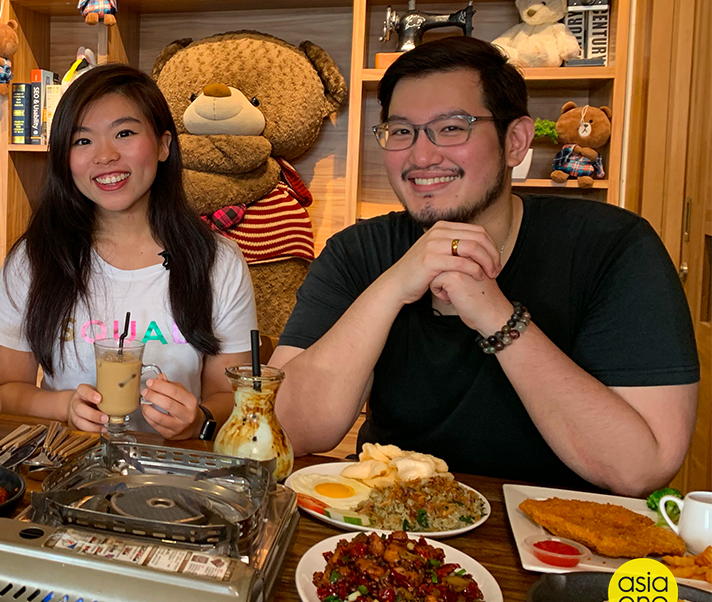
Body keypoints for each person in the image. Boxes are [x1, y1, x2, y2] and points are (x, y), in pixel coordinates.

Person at [271, 38, 699, 495]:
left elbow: (641, 470)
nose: (421, 156)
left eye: (452, 128)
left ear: (516, 141)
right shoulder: (357, 252)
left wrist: (498, 317)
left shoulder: (611, 247)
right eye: (401, 131)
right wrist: (392, 286)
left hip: (556, 530)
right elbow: (286, 431)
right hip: (390, 520)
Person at [0, 64, 257, 440]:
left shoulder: (217, 262)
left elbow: (232, 396)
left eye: (124, 133)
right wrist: (64, 406)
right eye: (82, 141)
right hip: (67, 461)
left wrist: (199, 419)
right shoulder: (36, 258)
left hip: (175, 468)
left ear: (163, 145)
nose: (105, 156)